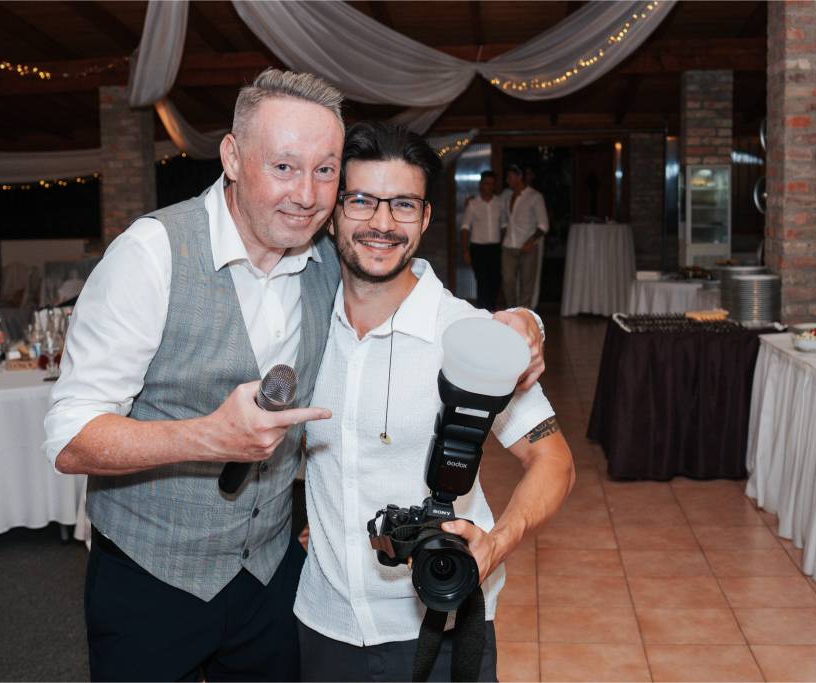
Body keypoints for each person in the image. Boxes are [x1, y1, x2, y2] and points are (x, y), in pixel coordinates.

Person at [44, 69, 546, 682]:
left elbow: (397, 268)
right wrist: (205, 436)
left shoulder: (328, 264)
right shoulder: (152, 255)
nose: (306, 195)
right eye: (283, 166)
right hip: (153, 579)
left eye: (325, 170)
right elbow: (69, 438)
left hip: (271, 583)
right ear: (232, 157)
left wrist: (523, 321)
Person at [294, 122, 574, 682]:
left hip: (439, 625)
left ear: (425, 218)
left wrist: (496, 545)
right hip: (324, 624)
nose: (381, 223)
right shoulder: (300, 324)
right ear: (333, 213)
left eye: (403, 204)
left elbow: (555, 461)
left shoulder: (467, 337)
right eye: (362, 201)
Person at [501, 165, 549, 309]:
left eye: (510, 177)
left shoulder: (535, 197)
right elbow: (497, 208)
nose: (507, 180)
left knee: (527, 284)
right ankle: (512, 311)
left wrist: (531, 241)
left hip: (527, 246)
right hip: (508, 246)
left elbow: (544, 225)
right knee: (507, 281)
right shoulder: (507, 195)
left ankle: (524, 314)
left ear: (519, 177)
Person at [460, 171, 505, 309]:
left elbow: (504, 226)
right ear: (481, 185)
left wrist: (504, 246)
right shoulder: (473, 204)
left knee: (495, 281)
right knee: (482, 282)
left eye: (492, 184)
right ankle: (483, 313)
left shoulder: (500, 203)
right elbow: (465, 228)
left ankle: (491, 311)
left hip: (495, 248)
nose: (489, 186)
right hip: (478, 249)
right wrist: (466, 251)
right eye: (486, 183)